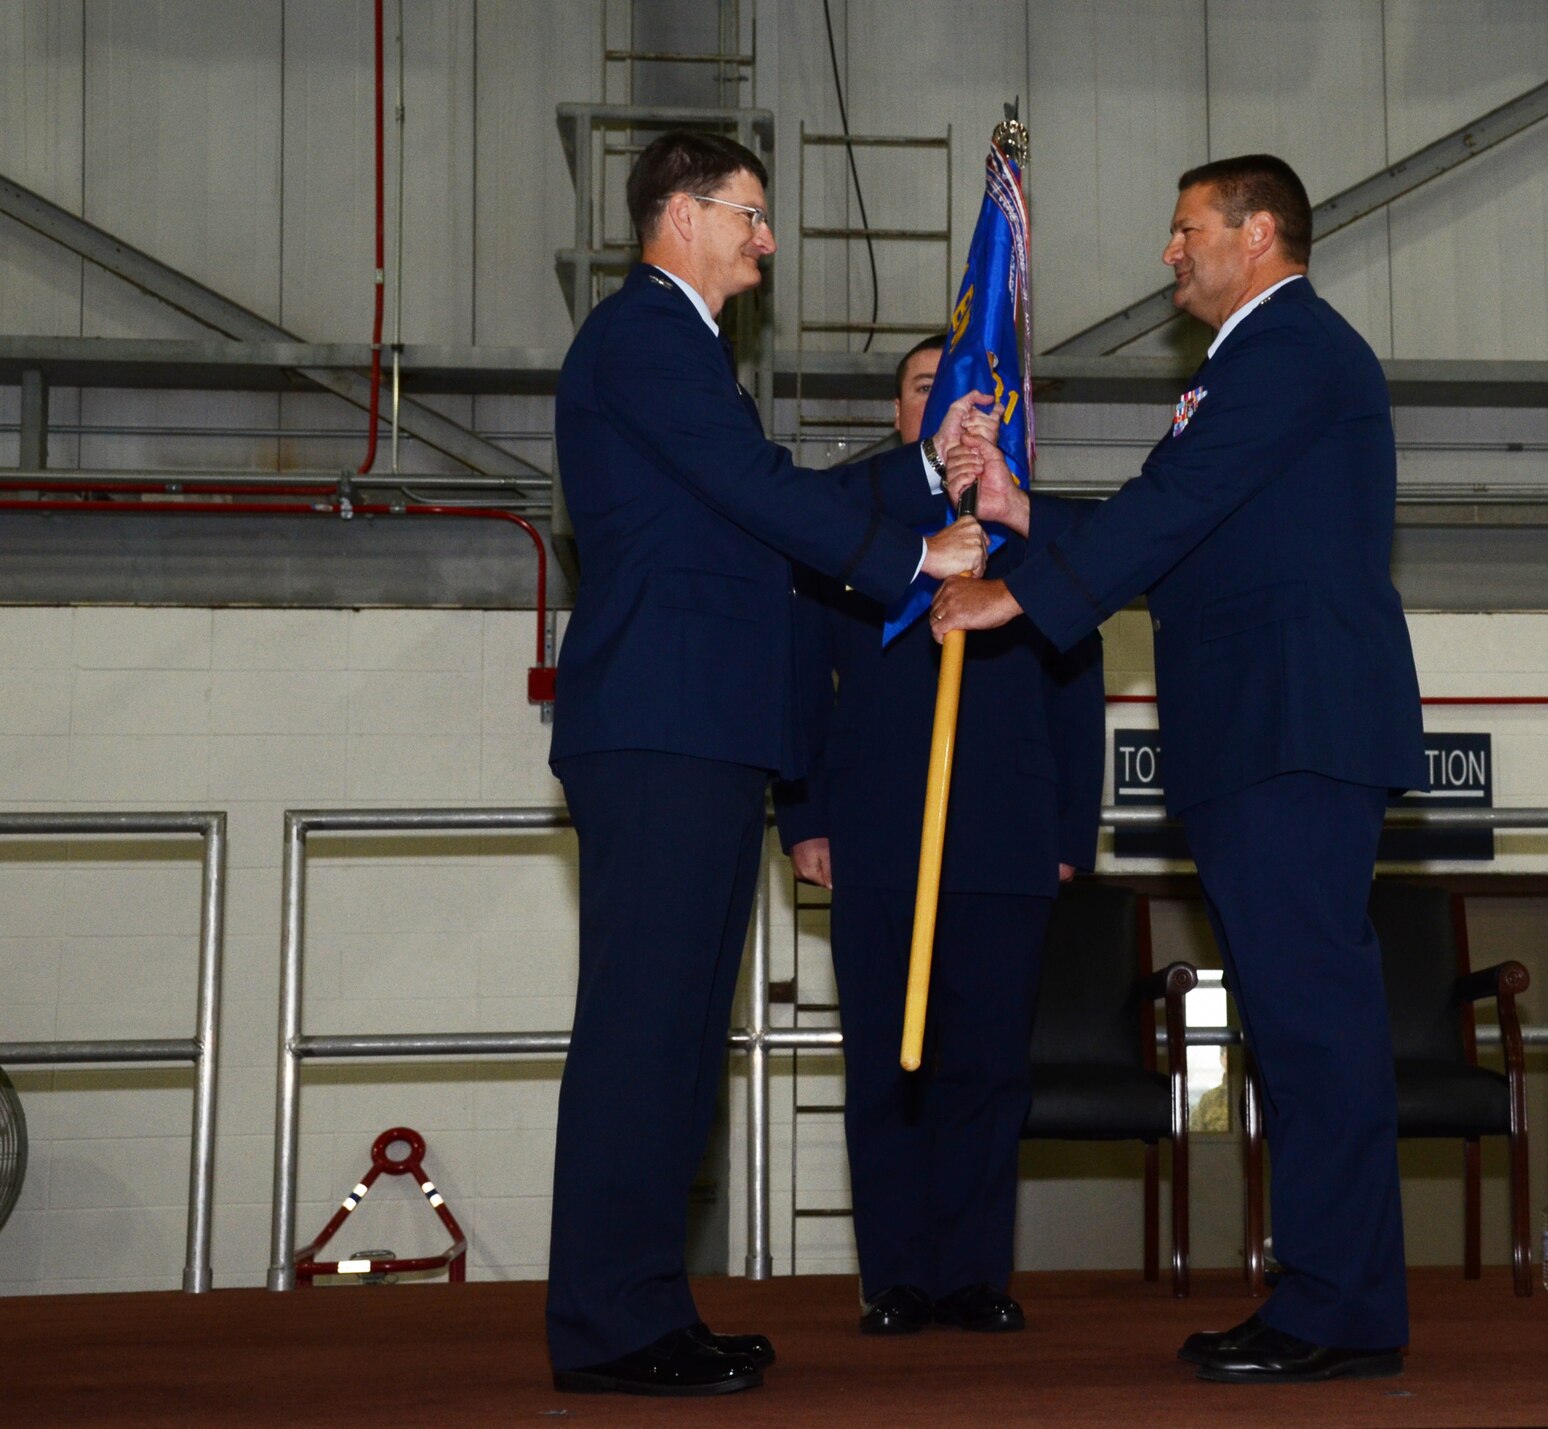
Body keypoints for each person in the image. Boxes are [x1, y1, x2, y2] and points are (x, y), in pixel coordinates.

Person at [932, 153, 1426, 1386]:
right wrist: (1027, 511)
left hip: (1292, 730)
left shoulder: (1289, 351)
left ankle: (1335, 1305)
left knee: (1313, 1023)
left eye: (1186, 228)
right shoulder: (1255, 363)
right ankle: (1333, 1296)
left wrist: (1015, 590)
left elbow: (1175, 505)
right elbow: (1190, 522)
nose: (1169, 252)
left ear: (1257, 234)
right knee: (1297, 1020)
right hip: (1261, 732)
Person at [546, 131, 993, 1399]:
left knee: (680, 1038)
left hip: (694, 724)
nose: (768, 238)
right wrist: (918, 557)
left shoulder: (678, 349)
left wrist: (917, 472)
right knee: (646, 1032)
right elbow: (756, 492)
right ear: (679, 215)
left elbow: (757, 497)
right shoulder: (644, 337)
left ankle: (640, 1307)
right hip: (661, 721)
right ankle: (608, 1324)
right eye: (749, 214)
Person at [774, 334, 1104, 1338]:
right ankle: (898, 1277)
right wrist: (804, 814)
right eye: (928, 389)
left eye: (973, 394)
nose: (954, 409)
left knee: (988, 1065)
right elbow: (800, 672)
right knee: (887, 1058)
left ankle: (970, 1274)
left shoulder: (1035, 522)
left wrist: (1068, 829)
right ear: (898, 410)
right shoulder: (845, 509)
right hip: (874, 825)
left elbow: (1075, 685)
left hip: (1007, 827)